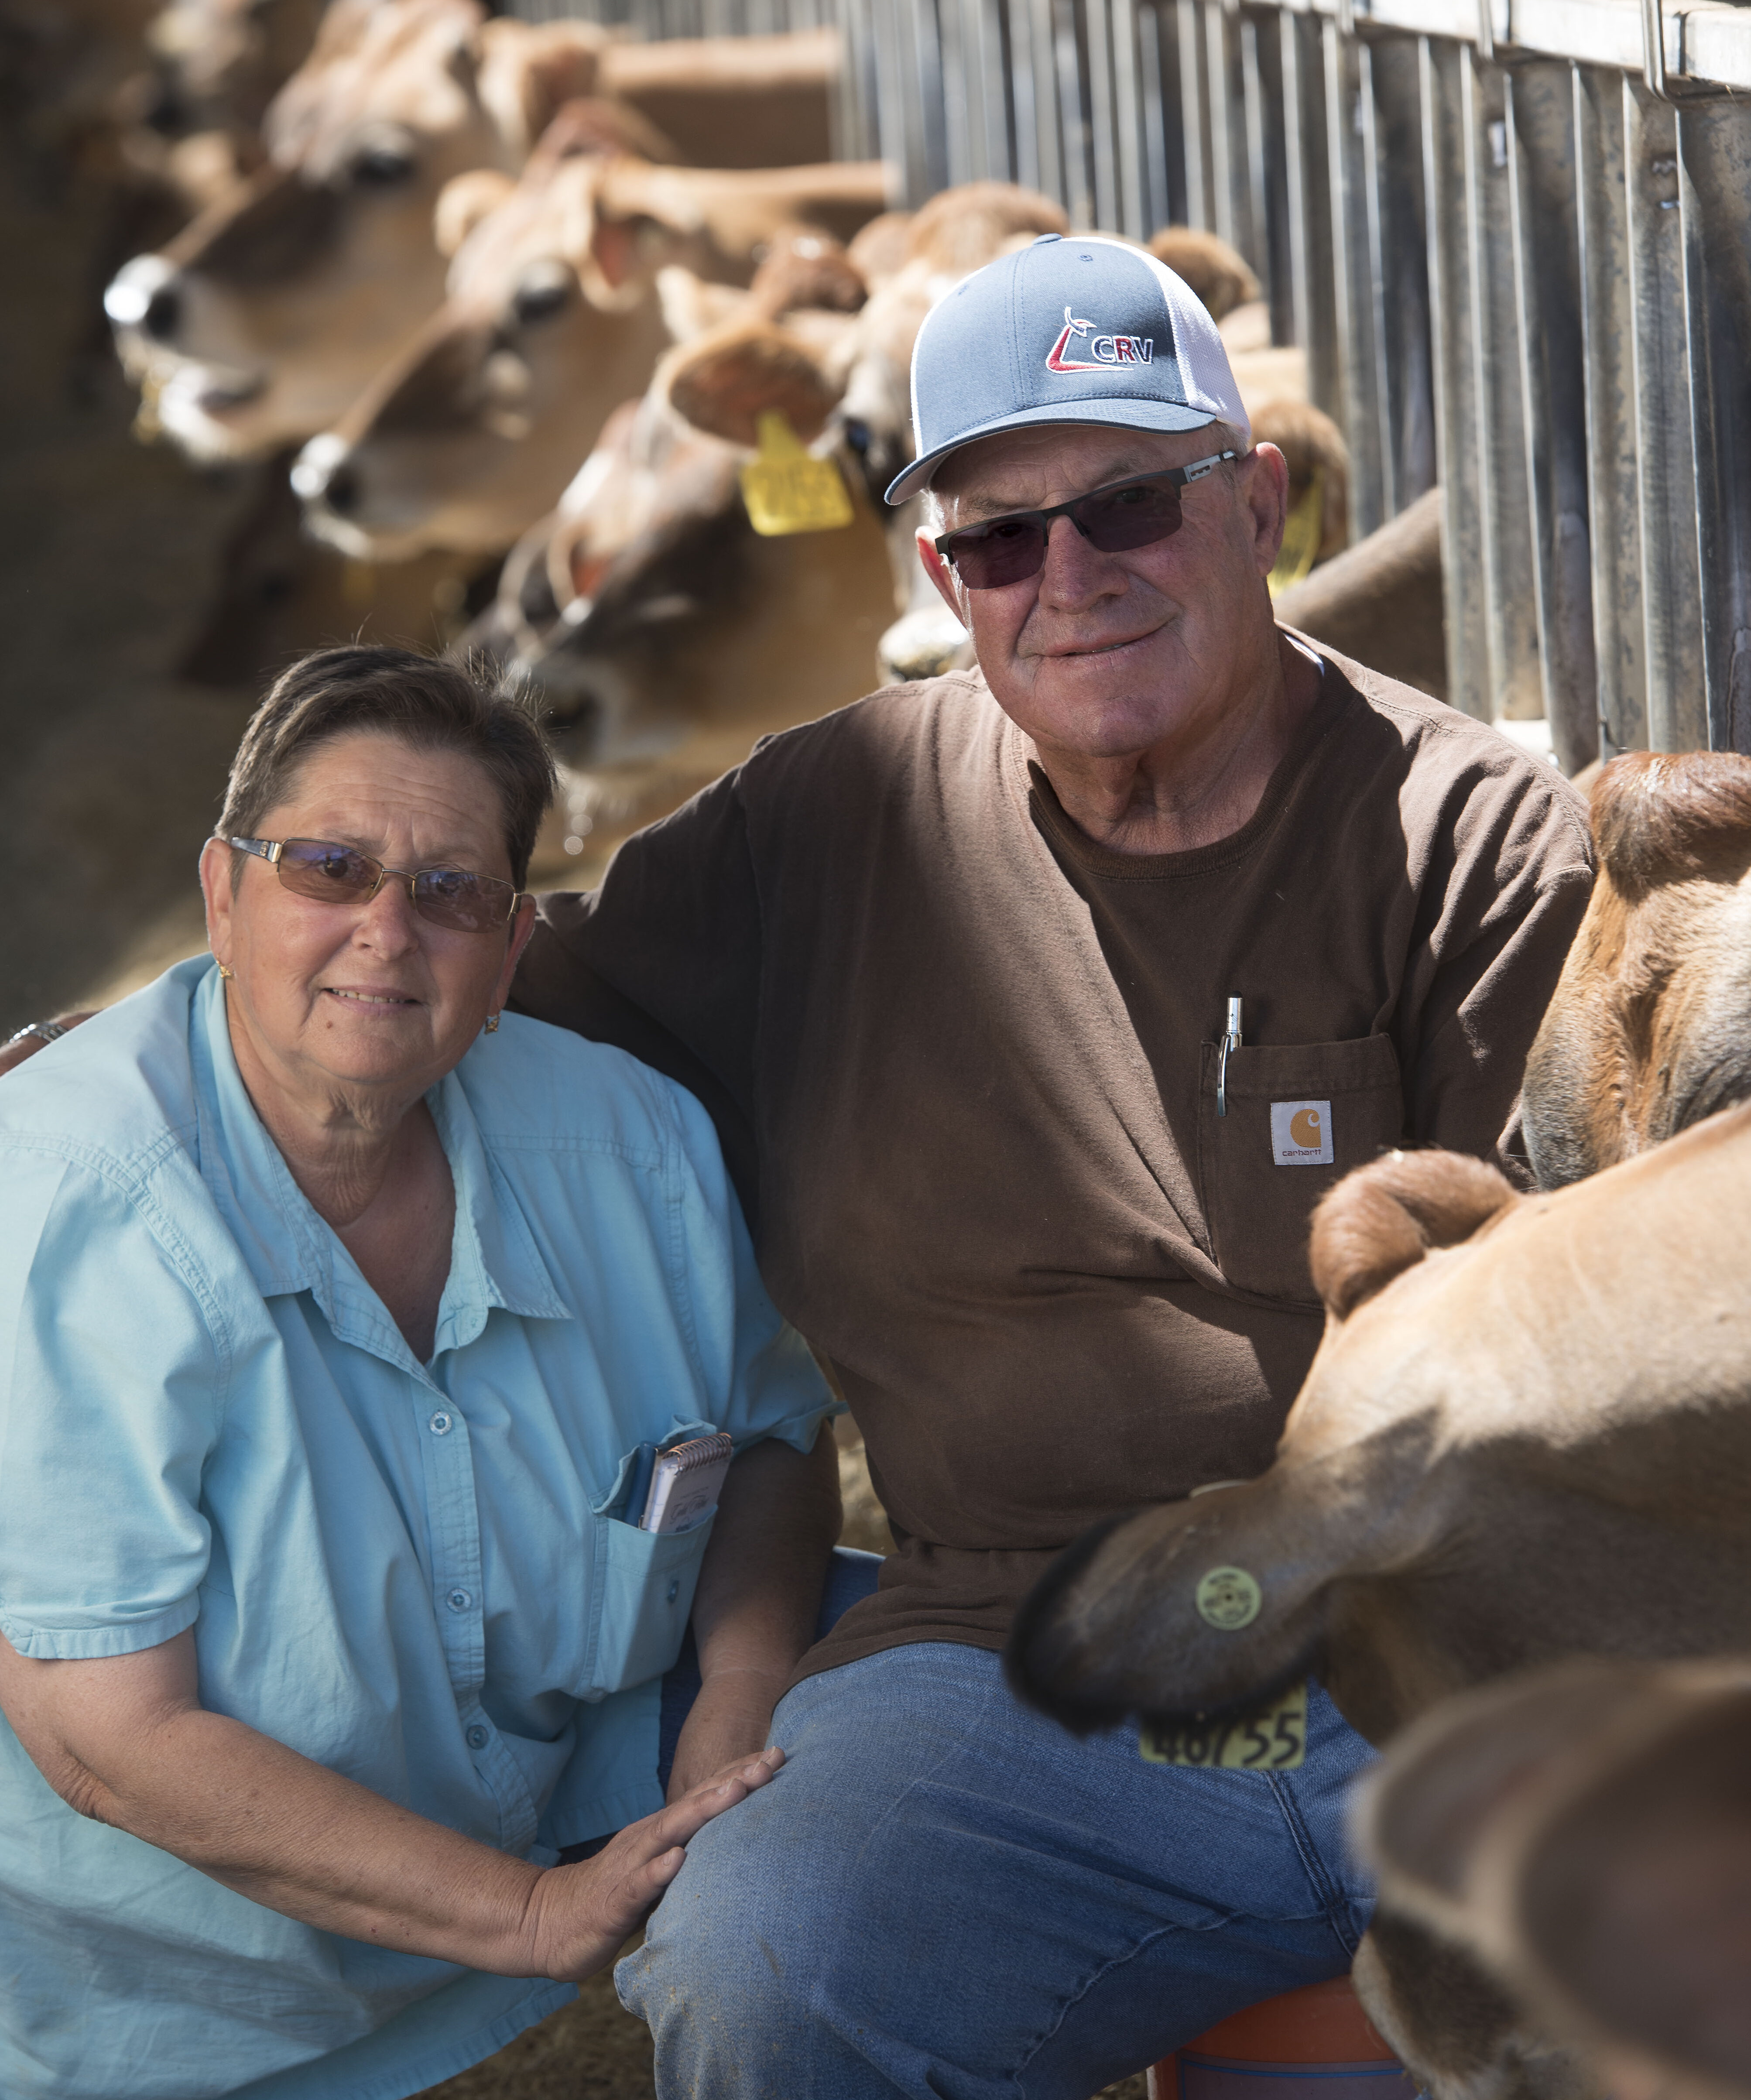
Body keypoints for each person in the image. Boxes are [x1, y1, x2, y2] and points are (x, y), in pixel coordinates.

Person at [2, 240, 1594, 2098]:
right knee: (763, 1950)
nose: (1067, 580)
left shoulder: (1463, 834)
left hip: (1421, 1646)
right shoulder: (828, 826)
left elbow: (1545, 1369)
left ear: (1257, 502)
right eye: (999, 540)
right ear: (939, 575)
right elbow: (430, 971)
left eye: (1128, 506)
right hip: (1020, 1660)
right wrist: (114, 1069)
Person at [0, 646, 844, 2100]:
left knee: (937, 1728)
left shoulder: (632, 1144)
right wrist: (526, 1915)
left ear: (513, 950)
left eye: (450, 891)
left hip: (584, 1790)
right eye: (329, 868)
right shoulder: (73, 1200)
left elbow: (772, 1440)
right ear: (222, 895)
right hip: (189, 2000)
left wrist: (742, 1688)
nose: (387, 931)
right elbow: (104, 1739)